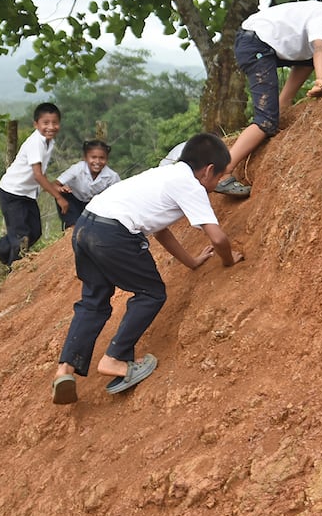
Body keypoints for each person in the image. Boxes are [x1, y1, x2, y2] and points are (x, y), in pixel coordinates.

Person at [50, 133, 244, 405]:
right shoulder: (191, 185)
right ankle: (114, 360)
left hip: (86, 225)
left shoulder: (164, 174)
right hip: (113, 233)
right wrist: (228, 260)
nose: (218, 184)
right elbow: (219, 238)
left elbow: (160, 230)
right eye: (220, 177)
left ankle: (65, 370)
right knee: (151, 293)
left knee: (93, 301)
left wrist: (191, 261)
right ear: (209, 170)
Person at [212, 0, 322, 199]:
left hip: (255, 39)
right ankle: (222, 172)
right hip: (257, 45)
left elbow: (314, 53)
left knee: (308, 60)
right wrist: (320, 80)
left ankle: (281, 106)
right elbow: (319, 48)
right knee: (265, 121)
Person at [0, 102, 67, 274]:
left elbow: (39, 174)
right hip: (12, 192)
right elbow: (37, 174)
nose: (51, 127)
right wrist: (57, 197)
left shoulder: (48, 142)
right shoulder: (36, 142)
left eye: (55, 122)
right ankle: (16, 271)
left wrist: (53, 187)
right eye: (46, 123)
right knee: (21, 237)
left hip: (28, 193)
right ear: (36, 124)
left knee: (35, 232)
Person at [55, 139, 121, 229]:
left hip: (92, 203)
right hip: (73, 199)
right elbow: (54, 184)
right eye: (93, 157)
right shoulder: (77, 169)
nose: (97, 161)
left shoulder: (112, 176)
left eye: (102, 158)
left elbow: (120, 195)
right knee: (73, 224)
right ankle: (70, 228)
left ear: (107, 159)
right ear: (85, 158)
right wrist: (61, 189)